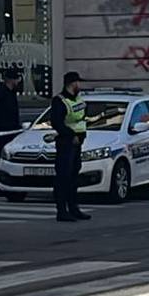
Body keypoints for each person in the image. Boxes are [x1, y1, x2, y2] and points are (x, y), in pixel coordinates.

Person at [49, 70, 89, 222]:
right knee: (63, 177)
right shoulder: (59, 101)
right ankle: (62, 211)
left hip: (77, 142)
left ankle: (73, 207)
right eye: (78, 82)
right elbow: (57, 122)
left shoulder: (78, 99)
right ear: (72, 83)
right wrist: (71, 135)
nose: (80, 85)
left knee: (73, 177)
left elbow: (82, 118)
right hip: (66, 142)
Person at [0, 68, 22, 195]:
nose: (18, 82)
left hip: (12, 129)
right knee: (1, 156)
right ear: (11, 80)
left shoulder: (11, 93)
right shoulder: (1, 92)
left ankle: (8, 182)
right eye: (16, 79)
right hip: (5, 128)